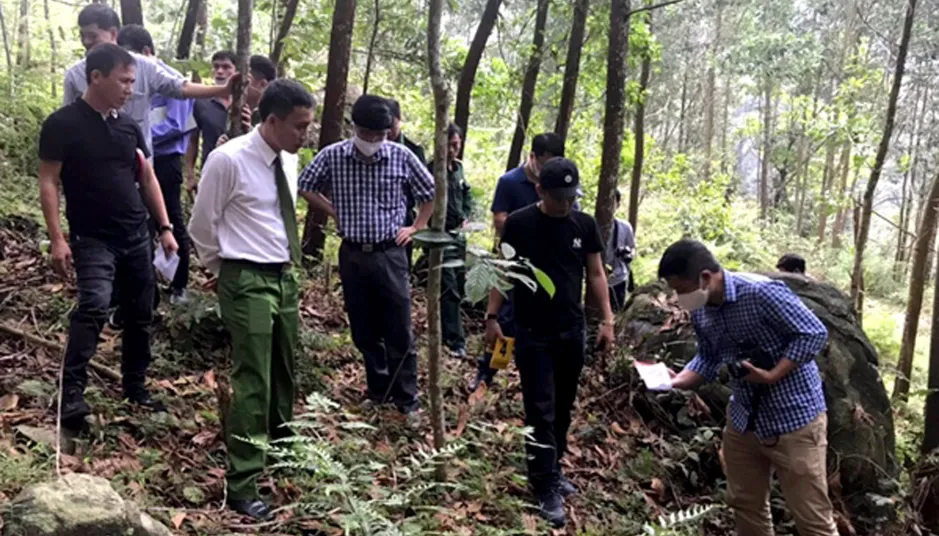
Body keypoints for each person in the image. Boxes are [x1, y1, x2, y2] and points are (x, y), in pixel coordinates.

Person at [188, 79, 314, 520]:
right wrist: (226, 274)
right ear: (273, 120)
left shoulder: (288, 160)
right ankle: (243, 481)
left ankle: (281, 448)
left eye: (308, 126)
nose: (305, 135)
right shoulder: (229, 160)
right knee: (253, 379)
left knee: (283, 368)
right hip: (246, 277)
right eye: (299, 127)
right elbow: (202, 225)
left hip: (283, 277)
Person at [38, 44, 179, 430]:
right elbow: (49, 180)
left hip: (136, 233)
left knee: (141, 312)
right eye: (123, 80)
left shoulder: (127, 126)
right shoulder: (62, 124)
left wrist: (164, 228)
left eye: (133, 81)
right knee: (95, 306)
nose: (129, 89)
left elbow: (146, 176)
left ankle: (135, 387)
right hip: (92, 237)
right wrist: (57, 238)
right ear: (96, 77)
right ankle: (72, 396)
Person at [656, 239, 837, 536]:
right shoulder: (701, 310)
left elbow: (813, 333)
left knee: (812, 518)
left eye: (682, 289)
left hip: (794, 419)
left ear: (705, 277)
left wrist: (772, 374)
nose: (679, 297)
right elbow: (708, 357)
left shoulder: (760, 292)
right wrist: (675, 381)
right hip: (743, 419)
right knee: (746, 505)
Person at [484, 157, 615, 528]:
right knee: (539, 408)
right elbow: (503, 270)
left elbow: (595, 272)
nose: (566, 204)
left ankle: (552, 468)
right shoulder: (520, 224)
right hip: (531, 331)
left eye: (571, 197)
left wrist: (607, 320)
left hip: (571, 330)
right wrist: (492, 318)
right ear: (540, 190)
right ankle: (543, 486)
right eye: (559, 197)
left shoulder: (584, 224)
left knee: (563, 406)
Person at [298, 95, 435, 426]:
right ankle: (378, 390)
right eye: (367, 134)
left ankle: (407, 400)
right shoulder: (334, 156)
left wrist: (417, 226)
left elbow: (430, 192)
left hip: (390, 253)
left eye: (380, 134)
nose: (373, 141)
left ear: (388, 131)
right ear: (355, 128)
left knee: (398, 325)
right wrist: (334, 211)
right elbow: (304, 185)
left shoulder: (401, 156)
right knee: (363, 327)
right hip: (353, 253)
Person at [63, 4, 238, 154]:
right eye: (82, 36)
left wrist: (222, 90)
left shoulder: (143, 66)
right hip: (92, 166)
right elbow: (69, 123)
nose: (86, 41)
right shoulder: (74, 75)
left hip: (137, 166)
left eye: (93, 36)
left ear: (113, 34)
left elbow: (179, 87)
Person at [471, 132, 566, 390]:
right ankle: (490, 372)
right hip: (513, 264)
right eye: (545, 163)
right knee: (507, 322)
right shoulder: (510, 182)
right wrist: (529, 223)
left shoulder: (560, 185)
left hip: (547, 269)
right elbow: (499, 219)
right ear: (533, 157)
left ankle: (534, 382)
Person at [117, 24, 195, 304]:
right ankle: (145, 288)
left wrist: (138, 137)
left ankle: (179, 285)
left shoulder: (173, 81)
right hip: (135, 162)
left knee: (171, 219)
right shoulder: (125, 81)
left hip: (164, 162)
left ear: (147, 53)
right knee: (140, 222)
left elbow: (176, 124)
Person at [435, 123, 473, 358]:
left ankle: (450, 328)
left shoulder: (458, 169)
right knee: (448, 287)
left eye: (456, 145)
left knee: (459, 284)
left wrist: (467, 216)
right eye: (448, 145)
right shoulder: (432, 170)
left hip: (459, 235)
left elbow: (466, 193)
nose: (452, 150)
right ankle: (454, 339)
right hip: (440, 236)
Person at [386, 98, 426, 271]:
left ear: (399, 120)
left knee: (401, 266)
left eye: (392, 125)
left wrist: (417, 226)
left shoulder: (413, 150)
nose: (388, 131)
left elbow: (425, 189)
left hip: (403, 216)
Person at [605, 190, 636, 311]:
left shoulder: (624, 227)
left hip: (619, 277)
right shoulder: (594, 225)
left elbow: (633, 248)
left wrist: (628, 253)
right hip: (599, 277)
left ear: (618, 204)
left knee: (618, 311)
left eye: (612, 203)